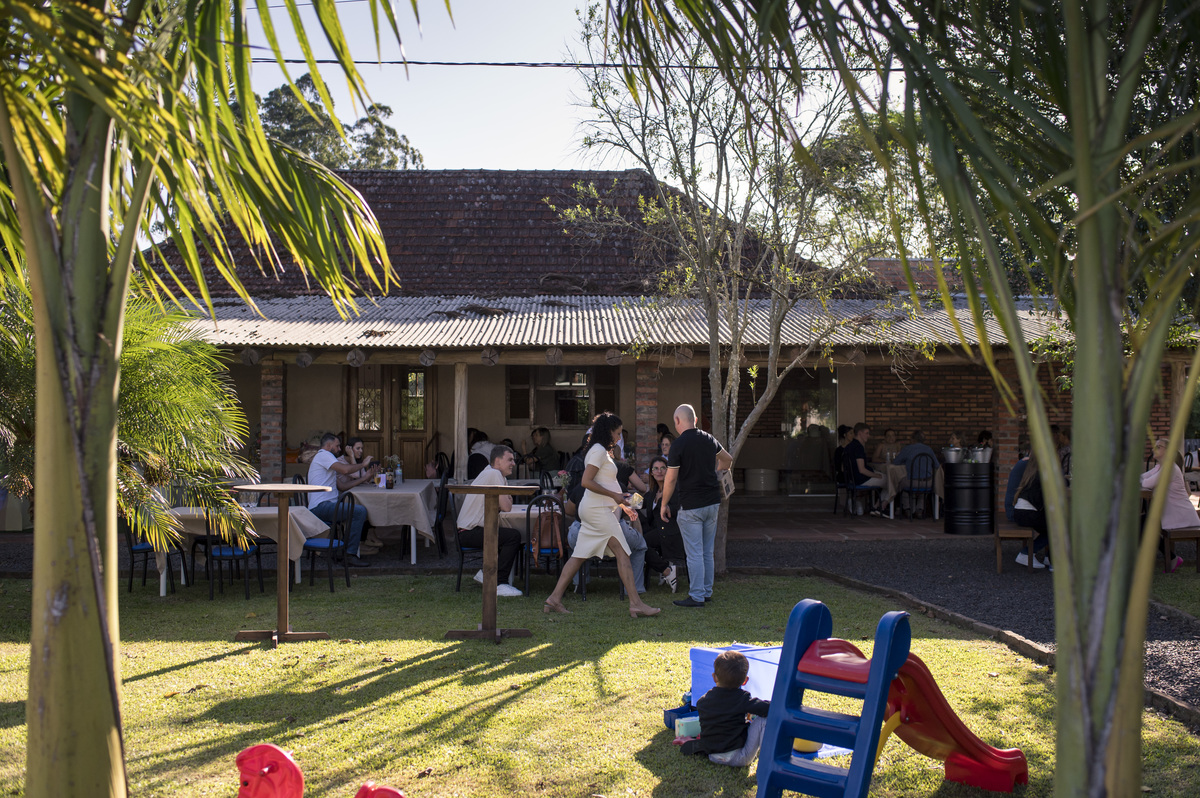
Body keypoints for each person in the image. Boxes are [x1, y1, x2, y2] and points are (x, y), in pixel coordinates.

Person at [543, 413, 661, 618]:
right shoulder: (598, 451)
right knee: (623, 552)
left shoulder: (601, 451)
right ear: (608, 431)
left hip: (596, 509)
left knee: (579, 555)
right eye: (617, 433)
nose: (618, 438)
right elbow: (586, 482)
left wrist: (622, 505)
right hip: (596, 511)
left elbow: (605, 483)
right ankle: (636, 604)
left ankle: (553, 599)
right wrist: (615, 496)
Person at [661, 403, 734, 608]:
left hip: (691, 505)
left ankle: (696, 596)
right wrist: (717, 472)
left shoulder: (679, 444)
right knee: (706, 551)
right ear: (695, 420)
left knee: (694, 553)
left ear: (677, 421)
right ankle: (706, 592)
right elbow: (727, 460)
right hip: (712, 502)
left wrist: (664, 503)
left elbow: (670, 479)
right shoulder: (708, 438)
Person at [680, 650, 771, 766]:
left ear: (714, 677)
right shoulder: (742, 699)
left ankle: (702, 744)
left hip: (712, 755)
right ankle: (767, 762)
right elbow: (767, 708)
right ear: (745, 681)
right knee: (763, 720)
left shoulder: (702, 701)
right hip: (738, 757)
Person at [457, 445, 525, 597]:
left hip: (469, 530)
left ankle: (487, 573)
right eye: (510, 460)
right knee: (513, 537)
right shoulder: (494, 474)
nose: (513, 463)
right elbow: (507, 506)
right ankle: (499, 583)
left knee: (508, 535)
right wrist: (507, 497)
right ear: (498, 461)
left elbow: (507, 502)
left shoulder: (494, 474)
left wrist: (506, 497)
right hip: (469, 532)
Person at [306, 432, 375, 567]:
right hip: (320, 507)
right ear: (329, 445)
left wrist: (364, 478)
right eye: (337, 446)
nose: (339, 449)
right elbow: (344, 470)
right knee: (359, 512)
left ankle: (341, 551)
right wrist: (363, 465)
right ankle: (349, 554)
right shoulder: (324, 455)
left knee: (356, 511)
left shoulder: (327, 461)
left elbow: (342, 486)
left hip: (327, 505)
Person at [1141, 438, 1199, 573]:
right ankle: (1172, 559)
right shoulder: (1160, 467)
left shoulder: (1170, 468)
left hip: (1181, 516)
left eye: (1159, 446)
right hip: (1170, 514)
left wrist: (1143, 480)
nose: (1154, 449)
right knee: (1142, 523)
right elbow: (1142, 478)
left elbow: (1146, 483)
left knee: (1143, 525)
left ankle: (1138, 565)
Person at [1012, 451, 1051, 569]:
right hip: (1028, 514)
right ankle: (1026, 553)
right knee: (1055, 530)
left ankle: (1049, 558)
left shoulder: (1031, 472)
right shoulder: (1042, 474)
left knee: (1052, 527)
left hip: (1020, 512)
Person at [892, 430, 937, 517]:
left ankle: (908, 508)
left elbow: (895, 462)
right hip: (928, 483)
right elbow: (936, 465)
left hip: (912, 482)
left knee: (900, 484)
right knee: (922, 490)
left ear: (912, 439)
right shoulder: (929, 449)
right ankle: (919, 509)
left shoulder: (907, 448)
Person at [845, 423, 886, 516]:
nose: (868, 435)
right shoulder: (858, 447)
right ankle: (878, 507)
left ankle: (876, 506)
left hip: (852, 478)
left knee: (886, 478)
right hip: (861, 479)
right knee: (890, 481)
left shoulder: (849, 446)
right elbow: (862, 470)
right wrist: (876, 475)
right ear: (860, 433)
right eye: (867, 433)